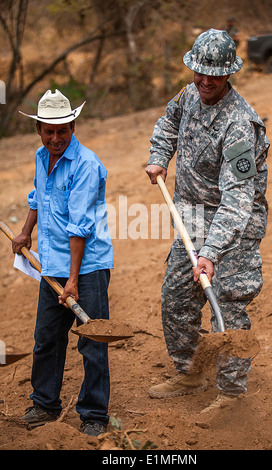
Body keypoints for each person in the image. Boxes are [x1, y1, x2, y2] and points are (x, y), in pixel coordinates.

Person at [145, 29, 269, 412]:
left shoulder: (239, 125)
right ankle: (191, 371)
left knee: (227, 305)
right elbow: (168, 124)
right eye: (199, 72)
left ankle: (232, 394)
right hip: (191, 218)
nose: (204, 81)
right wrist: (159, 155)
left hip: (234, 227)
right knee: (176, 297)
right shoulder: (189, 94)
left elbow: (238, 199)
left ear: (228, 74)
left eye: (213, 76)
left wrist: (212, 253)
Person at [13, 89, 114, 435]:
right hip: (52, 263)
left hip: (86, 268)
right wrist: (26, 233)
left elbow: (80, 226)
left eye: (63, 131)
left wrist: (73, 281)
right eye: (48, 131)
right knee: (47, 338)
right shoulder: (42, 157)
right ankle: (44, 403)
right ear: (39, 129)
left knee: (92, 340)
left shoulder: (86, 164)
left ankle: (94, 414)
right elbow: (37, 197)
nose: (55, 138)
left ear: (73, 127)